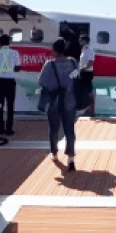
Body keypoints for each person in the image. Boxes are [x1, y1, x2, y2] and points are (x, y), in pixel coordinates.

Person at [38, 38, 78, 171]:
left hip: (54, 102)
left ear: (53, 50)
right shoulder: (73, 62)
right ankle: (71, 158)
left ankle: (54, 153)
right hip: (70, 102)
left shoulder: (49, 65)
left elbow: (42, 81)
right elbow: (77, 79)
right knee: (69, 130)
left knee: (54, 129)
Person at [0, 34, 20, 135]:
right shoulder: (15, 53)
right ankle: (9, 129)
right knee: (10, 106)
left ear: (0, 43)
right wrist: (9, 69)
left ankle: (1, 129)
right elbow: (18, 68)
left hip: (0, 81)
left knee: (0, 105)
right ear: (9, 42)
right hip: (10, 81)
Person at [71, 33, 95, 116]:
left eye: (81, 39)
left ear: (85, 41)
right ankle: (81, 108)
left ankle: (91, 110)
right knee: (80, 90)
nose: (79, 41)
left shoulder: (89, 49)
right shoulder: (83, 49)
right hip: (83, 72)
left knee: (88, 91)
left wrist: (83, 68)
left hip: (87, 73)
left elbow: (90, 62)